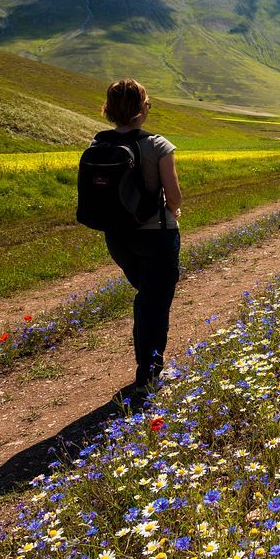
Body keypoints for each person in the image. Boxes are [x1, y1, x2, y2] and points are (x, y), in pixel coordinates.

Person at [95, 78, 182, 392]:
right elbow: (174, 196)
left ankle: (147, 367)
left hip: (117, 237)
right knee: (154, 304)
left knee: (147, 296)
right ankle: (148, 376)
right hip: (156, 235)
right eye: (147, 102)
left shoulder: (98, 144)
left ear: (109, 111)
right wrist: (174, 209)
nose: (149, 107)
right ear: (140, 110)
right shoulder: (157, 145)